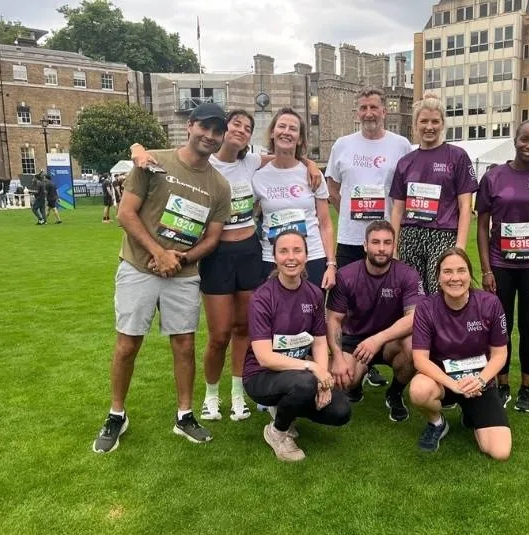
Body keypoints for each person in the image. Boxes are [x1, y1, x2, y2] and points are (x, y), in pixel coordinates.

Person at [131, 110, 322, 423]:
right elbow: (150, 155)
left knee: (243, 328)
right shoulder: (206, 162)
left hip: (249, 252)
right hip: (216, 253)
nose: (241, 131)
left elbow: (286, 154)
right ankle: (210, 394)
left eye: (247, 128)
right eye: (236, 124)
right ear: (223, 129)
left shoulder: (251, 162)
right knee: (219, 334)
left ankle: (237, 394)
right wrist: (137, 149)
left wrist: (311, 163)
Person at [91, 102, 232, 454]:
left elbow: (212, 237)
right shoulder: (153, 161)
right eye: (205, 128)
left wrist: (179, 258)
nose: (210, 136)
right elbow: (125, 214)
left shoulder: (219, 185)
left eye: (218, 132)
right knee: (127, 344)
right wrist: (158, 252)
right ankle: (116, 415)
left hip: (182, 274)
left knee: (184, 345)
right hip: (139, 267)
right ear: (190, 125)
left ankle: (184, 415)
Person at [326, 86, 413, 393]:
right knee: (351, 305)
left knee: (386, 300)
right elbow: (332, 186)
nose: (368, 113)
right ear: (356, 112)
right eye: (363, 108)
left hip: (386, 240)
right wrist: (350, 212)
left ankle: (376, 357)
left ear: (384, 110)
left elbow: (406, 189)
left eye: (374, 107)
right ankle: (357, 359)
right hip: (351, 237)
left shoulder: (401, 145)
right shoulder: (343, 144)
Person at [243, 229, 351, 462]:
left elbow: (320, 341)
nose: (291, 257)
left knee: (340, 411)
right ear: (274, 258)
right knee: (303, 383)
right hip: (261, 376)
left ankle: (286, 408)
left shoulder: (313, 293)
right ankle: (277, 432)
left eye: (297, 250)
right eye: (283, 251)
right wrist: (311, 368)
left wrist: (322, 379)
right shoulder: (262, 298)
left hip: (298, 374)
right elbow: (264, 357)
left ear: (306, 255)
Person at [476, 120, 529, 413]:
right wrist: (486, 269)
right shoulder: (493, 177)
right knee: (501, 328)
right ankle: (502, 384)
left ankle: (526, 389)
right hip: (500, 265)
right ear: (515, 139)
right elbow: (482, 226)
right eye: (525, 139)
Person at [409, 248, 511, 459]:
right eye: (447, 272)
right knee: (419, 389)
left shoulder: (490, 303)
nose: (455, 278)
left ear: (469, 274)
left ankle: (471, 413)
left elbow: (500, 354)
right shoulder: (426, 308)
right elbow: (419, 359)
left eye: (461, 271)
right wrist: (453, 384)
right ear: (438, 277)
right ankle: (437, 423)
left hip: (479, 383)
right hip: (443, 382)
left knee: (500, 452)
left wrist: (481, 380)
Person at [326, 220, 424, 419]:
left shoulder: (408, 275)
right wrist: (337, 356)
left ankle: (395, 392)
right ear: (365, 245)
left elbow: (415, 318)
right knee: (344, 378)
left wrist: (378, 339)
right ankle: (355, 385)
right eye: (376, 242)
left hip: (390, 340)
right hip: (355, 341)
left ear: (395, 246)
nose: (381, 248)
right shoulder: (346, 275)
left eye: (387, 243)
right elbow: (333, 320)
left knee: (416, 346)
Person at [390, 92, 478, 294]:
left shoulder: (457, 156)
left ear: (442, 124)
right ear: (415, 124)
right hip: (411, 236)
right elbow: (397, 210)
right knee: (413, 296)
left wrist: (460, 248)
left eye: (435, 121)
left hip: (443, 235)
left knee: (441, 293)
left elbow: (466, 207)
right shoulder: (405, 162)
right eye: (424, 121)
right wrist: (394, 248)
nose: (429, 127)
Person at [252, 107, 336, 290]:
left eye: (293, 129)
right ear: (273, 133)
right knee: (275, 316)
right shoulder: (258, 177)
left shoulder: (312, 175)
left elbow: (325, 223)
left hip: (311, 257)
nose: (286, 132)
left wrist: (331, 264)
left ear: (300, 139)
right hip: (272, 258)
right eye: (282, 126)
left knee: (310, 315)